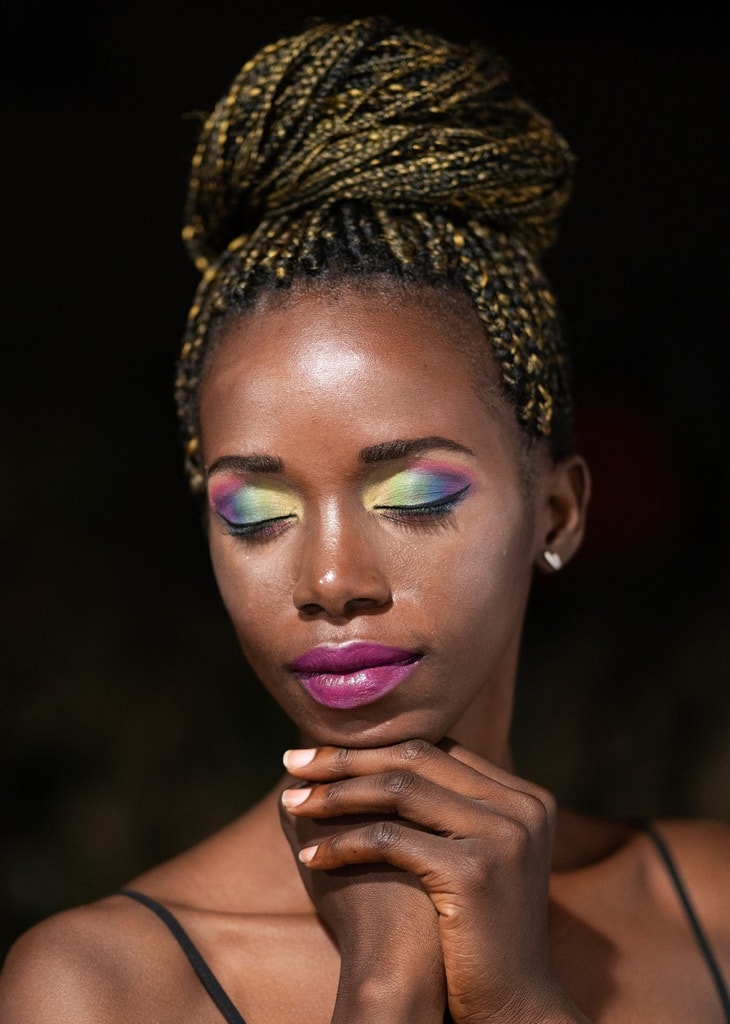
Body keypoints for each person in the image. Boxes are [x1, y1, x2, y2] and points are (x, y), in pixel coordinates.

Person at [1, 14, 729, 1023]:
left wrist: (515, 994)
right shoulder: (104, 984)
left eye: (415, 497)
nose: (332, 578)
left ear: (557, 512)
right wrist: (383, 989)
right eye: (254, 511)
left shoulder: (710, 907)